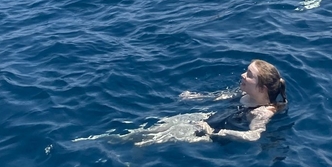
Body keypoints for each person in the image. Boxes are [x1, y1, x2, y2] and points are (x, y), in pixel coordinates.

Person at [76, 60, 286, 146]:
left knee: (150, 140)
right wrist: (196, 96)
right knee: (155, 127)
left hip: (209, 132)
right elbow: (221, 97)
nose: (242, 74)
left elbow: (253, 136)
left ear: (262, 88)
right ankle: (111, 139)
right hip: (207, 119)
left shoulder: (263, 113)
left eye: (248, 75)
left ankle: (108, 146)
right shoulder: (243, 93)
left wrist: (214, 133)